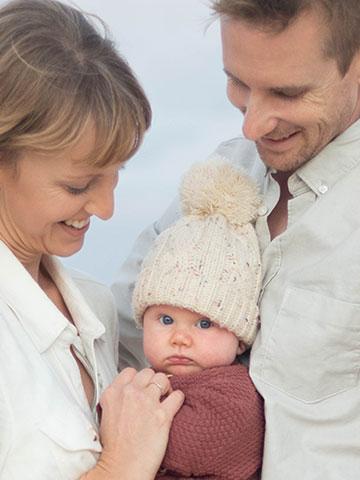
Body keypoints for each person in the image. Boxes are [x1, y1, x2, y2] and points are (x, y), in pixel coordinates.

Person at [112, 1, 360, 479]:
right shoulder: (220, 174)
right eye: (239, 83)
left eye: (287, 92)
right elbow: (115, 333)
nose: (251, 126)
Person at [0, 0, 184, 479]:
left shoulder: (96, 305)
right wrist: (121, 464)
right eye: (78, 185)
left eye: (116, 174)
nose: (106, 209)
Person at [132, 159, 265, 479]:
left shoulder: (235, 394)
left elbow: (193, 448)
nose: (180, 337)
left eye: (204, 324)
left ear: (239, 339)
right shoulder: (154, 377)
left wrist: (118, 417)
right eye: (165, 319)